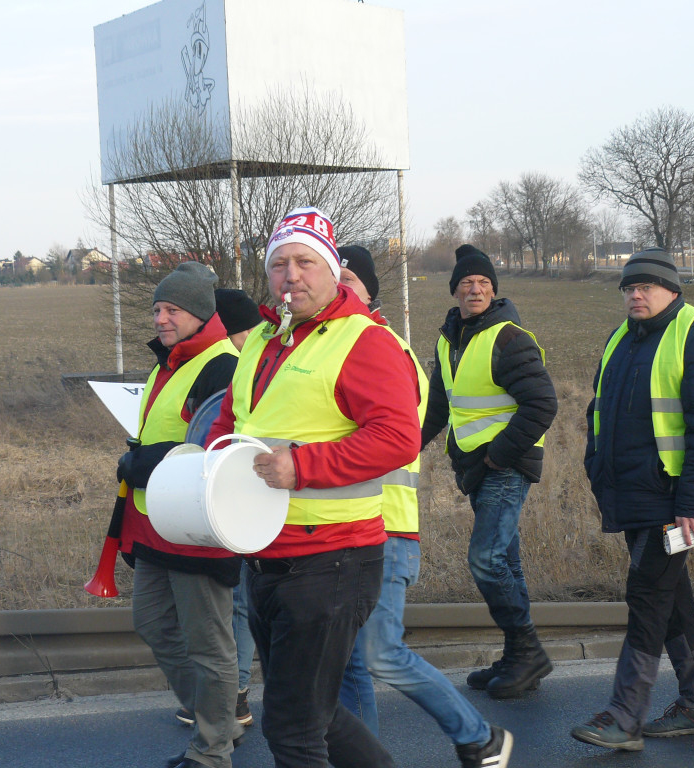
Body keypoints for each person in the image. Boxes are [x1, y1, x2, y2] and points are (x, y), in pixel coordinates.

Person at [207, 207, 451, 768]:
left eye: (305, 262)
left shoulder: (364, 340)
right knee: (316, 712)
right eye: (279, 264)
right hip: (267, 557)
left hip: (332, 560)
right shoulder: (265, 338)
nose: (291, 275)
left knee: (293, 731)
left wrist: (303, 466)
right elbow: (234, 419)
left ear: (332, 269)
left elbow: (398, 438)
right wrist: (203, 465)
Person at [336, 245, 513, 768]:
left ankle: (479, 737)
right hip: (347, 529)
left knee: (378, 652)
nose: (339, 284)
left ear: (370, 290)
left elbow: (389, 440)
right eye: (334, 276)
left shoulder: (382, 349)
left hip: (387, 530)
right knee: (349, 662)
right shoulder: (334, 347)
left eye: (348, 278)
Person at [571, 247, 694, 751]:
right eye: (628, 287)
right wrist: (596, 469)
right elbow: (599, 411)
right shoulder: (621, 338)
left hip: (672, 501)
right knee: (671, 601)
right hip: (632, 496)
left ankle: (625, 716)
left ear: (672, 289)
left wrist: (692, 501)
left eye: (645, 286)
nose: (635, 294)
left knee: (647, 599)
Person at [115, 261, 244, 768]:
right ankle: (219, 720)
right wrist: (139, 455)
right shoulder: (168, 362)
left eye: (171, 310)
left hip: (196, 526)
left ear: (198, 313)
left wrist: (142, 460)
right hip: (156, 522)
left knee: (209, 644)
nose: (160, 319)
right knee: (153, 625)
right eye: (156, 310)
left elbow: (215, 445)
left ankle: (212, 750)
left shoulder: (221, 365)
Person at [421, 244, 558, 700]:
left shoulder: (508, 337)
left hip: (504, 465)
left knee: (486, 559)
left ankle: (528, 651)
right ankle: (519, 657)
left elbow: (542, 404)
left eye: (482, 283)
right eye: (466, 283)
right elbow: (439, 405)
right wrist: (406, 444)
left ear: (494, 291)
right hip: (475, 468)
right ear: (455, 291)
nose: (474, 289)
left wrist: (497, 457)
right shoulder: (449, 339)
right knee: (507, 562)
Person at [175, 287, 264, 731]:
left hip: (243, 502)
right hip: (224, 500)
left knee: (241, 602)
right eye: (246, 331)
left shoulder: (242, 367)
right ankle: (230, 695)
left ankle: (234, 696)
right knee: (239, 601)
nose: (253, 338)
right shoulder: (231, 368)